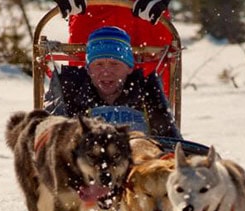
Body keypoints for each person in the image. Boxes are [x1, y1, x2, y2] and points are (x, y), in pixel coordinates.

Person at [45, 25, 181, 139]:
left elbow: (170, 141)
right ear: (88, 69)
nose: (106, 72)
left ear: (129, 68)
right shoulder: (71, 90)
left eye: (114, 64)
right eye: (99, 64)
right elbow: (52, 142)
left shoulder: (146, 90)